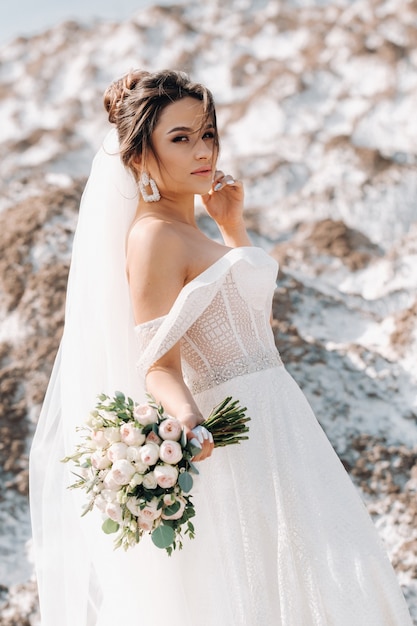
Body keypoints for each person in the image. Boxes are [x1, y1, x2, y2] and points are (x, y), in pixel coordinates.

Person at [29, 69, 413, 626]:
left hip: (283, 419)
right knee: (315, 582)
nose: (203, 149)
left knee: (337, 579)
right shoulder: (154, 235)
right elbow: (158, 362)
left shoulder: (198, 230)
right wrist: (189, 420)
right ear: (139, 156)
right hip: (239, 435)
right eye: (180, 138)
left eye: (207, 133)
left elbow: (254, 331)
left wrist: (233, 228)